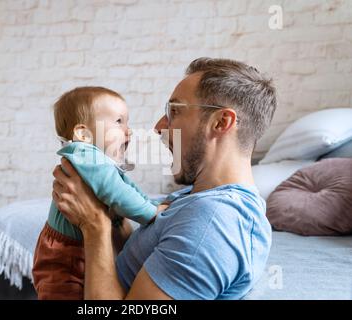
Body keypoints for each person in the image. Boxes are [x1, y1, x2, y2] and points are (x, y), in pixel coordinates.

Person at [52, 58, 277, 299]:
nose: (158, 127)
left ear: (221, 122)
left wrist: (94, 224)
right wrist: (111, 215)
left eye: (175, 111)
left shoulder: (213, 221)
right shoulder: (192, 197)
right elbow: (135, 259)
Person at [32, 86, 168, 300]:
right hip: (64, 251)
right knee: (62, 291)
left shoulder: (101, 161)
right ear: (83, 134)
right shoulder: (84, 154)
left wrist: (150, 204)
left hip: (79, 245)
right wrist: (150, 212)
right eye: (119, 122)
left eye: (127, 122)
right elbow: (114, 191)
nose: (128, 130)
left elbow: (124, 188)